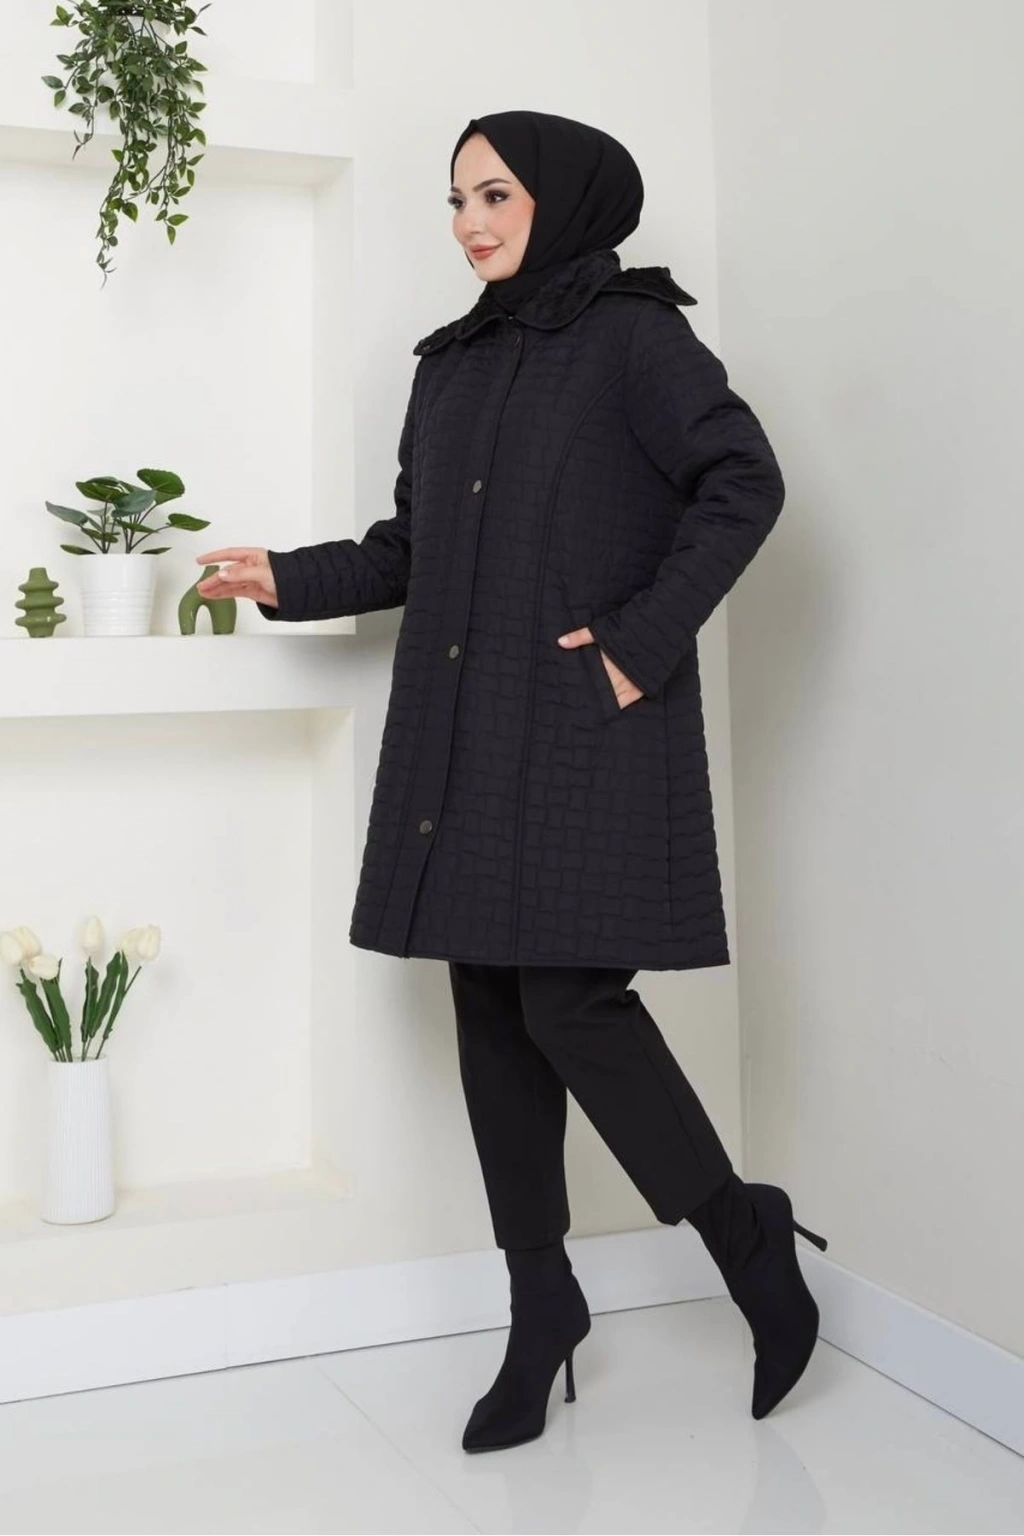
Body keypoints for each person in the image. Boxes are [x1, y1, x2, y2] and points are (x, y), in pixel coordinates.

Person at [195, 109, 827, 1455]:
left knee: (571, 1003)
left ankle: (744, 1234)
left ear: (562, 197)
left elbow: (745, 480)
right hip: (467, 727)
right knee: (490, 1004)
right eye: (456, 199)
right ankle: (542, 1307)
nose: (470, 221)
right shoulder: (453, 365)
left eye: (494, 194)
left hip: (584, 725)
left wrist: (640, 643)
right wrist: (287, 578)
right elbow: (411, 549)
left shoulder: (638, 340)